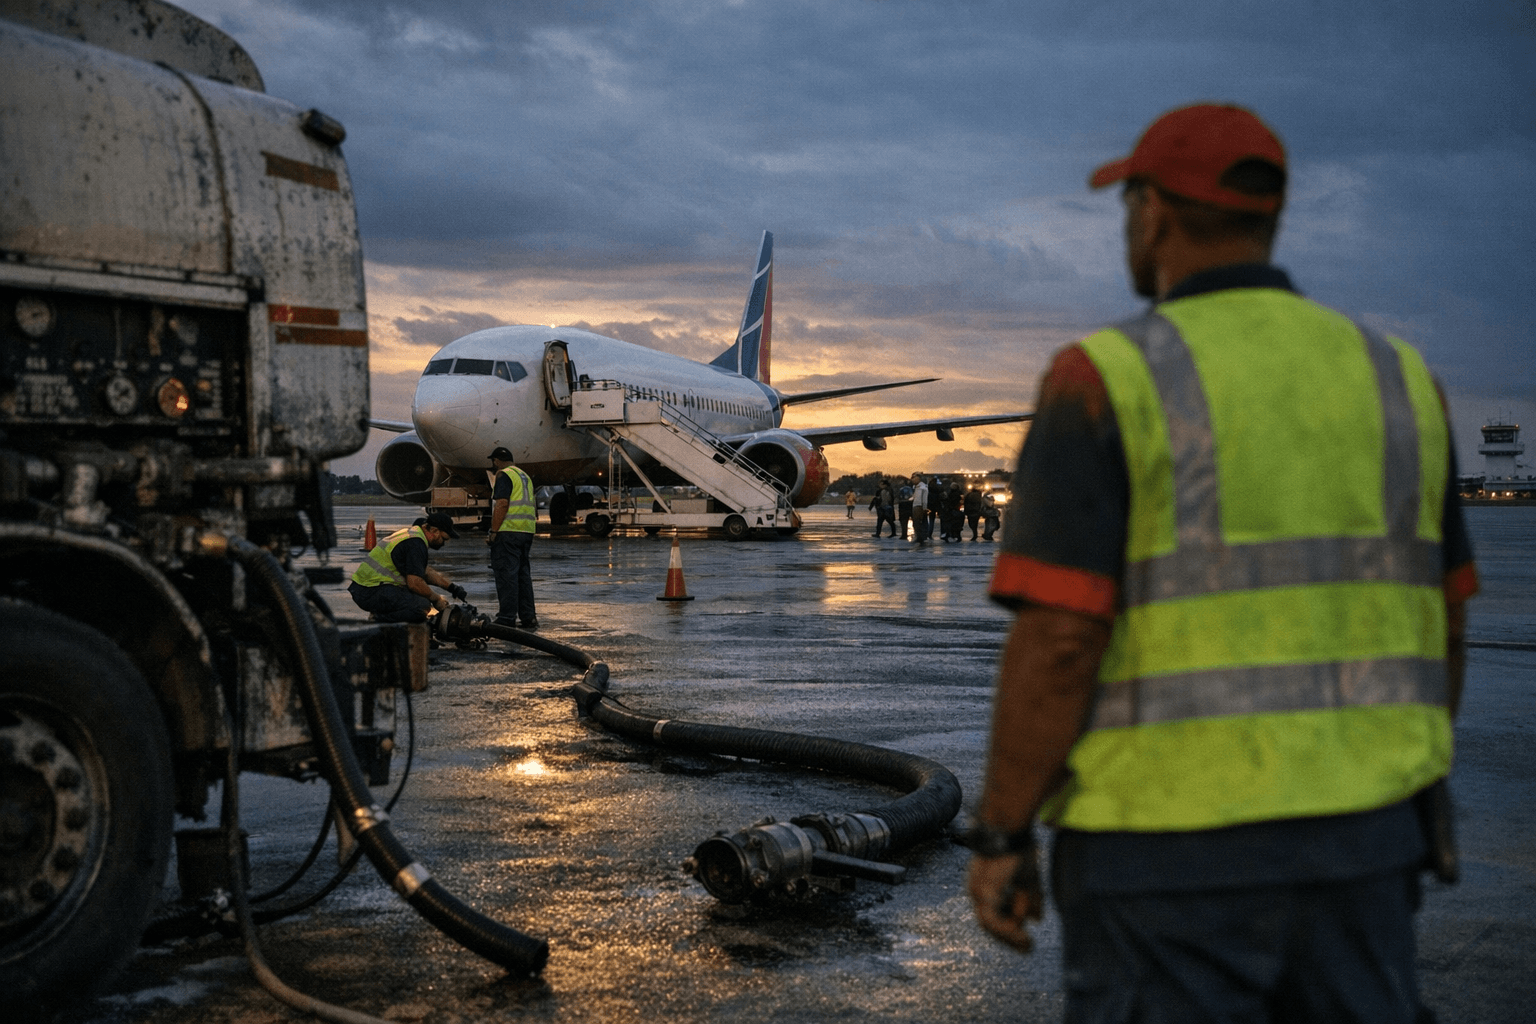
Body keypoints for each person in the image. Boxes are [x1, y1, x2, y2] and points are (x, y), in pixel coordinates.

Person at [967, 103, 1478, 1023]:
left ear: (1153, 212)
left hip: (1164, 855)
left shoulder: (1106, 378)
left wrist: (1003, 829)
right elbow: (1446, 621)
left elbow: (1060, 643)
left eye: (1128, 204)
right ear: (1265, 218)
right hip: (1366, 842)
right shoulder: (1403, 379)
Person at [348, 512, 465, 623]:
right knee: (420, 607)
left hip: (366, 588)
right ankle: (379, 620)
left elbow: (425, 572)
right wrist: (436, 599)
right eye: (443, 539)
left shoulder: (412, 534)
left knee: (417, 599)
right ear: (434, 530)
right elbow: (414, 583)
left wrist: (452, 588)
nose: (443, 543)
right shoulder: (416, 544)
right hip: (370, 591)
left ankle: (389, 623)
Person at [487, 446, 539, 629]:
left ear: (496, 461)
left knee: (506, 575)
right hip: (526, 531)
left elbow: (501, 504)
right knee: (523, 576)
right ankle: (528, 617)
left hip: (508, 531)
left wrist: (494, 532)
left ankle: (507, 618)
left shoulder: (503, 475)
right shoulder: (524, 476)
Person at [910, 473, 930, 545]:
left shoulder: (922, 488)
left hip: (919, 507)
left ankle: (920, 538)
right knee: (916, 523)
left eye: (914, 478)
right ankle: (919, 537)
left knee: (918, 523)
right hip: (916, 506)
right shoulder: (917, 487)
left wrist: (924, 508)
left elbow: (924, 499)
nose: (912, 480)